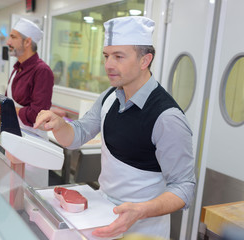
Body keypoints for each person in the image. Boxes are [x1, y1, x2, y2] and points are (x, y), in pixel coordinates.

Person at [34, 16, 196, 238]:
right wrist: (60, 125)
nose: (108, 65)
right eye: (106, 56)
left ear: (144, 60)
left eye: (119, 56)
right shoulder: (109, 97)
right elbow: (78, 135)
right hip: (103, 214)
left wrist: (140, 211)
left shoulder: (167, 117)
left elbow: (184, 187)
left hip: (143, 228)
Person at [6, 18, 54, 138]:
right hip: (14, 133)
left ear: (27, 42)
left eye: (13, 37)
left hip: (32, 138)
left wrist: (9, 109)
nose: (8, 42)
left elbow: (37, 114)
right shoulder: (17, 69)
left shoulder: (42, 71)